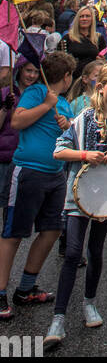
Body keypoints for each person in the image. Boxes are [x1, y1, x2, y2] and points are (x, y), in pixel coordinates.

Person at [45, 62, 107, 349]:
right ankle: (58, 318)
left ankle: (90, 303)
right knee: (73, 252)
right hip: (80, 195)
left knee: (96, 250)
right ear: (100, 87)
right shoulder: (85, 118)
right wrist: (86, 154)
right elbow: (59, 150)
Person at [0, 50, 75, 321]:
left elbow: (66, 135)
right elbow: (17, 121)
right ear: (66, 77)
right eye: (70, 75)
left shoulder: (64, 103)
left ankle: (26, 288)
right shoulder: (36, 92)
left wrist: (66, 124)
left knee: (52, 231)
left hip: (55, 175)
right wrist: (45, 105)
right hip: (28, 172)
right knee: (13, 234)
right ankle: (0, 293)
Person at [0, 59, 40, 223]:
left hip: (25, 158)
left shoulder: (40, 96)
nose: (32, 75)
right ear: (20, 70)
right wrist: (4, 108)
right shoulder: (5, 93)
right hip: (4, 156)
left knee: (12, 210)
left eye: (36, 72)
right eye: (29, 70)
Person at [62, 6, 101, 80]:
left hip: (92, 80)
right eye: (81, 16)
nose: (84, 19)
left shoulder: (98, 38)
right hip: (73, 79)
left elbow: (104, 57)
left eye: (87, 16)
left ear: (92, 19)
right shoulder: (68, 38)